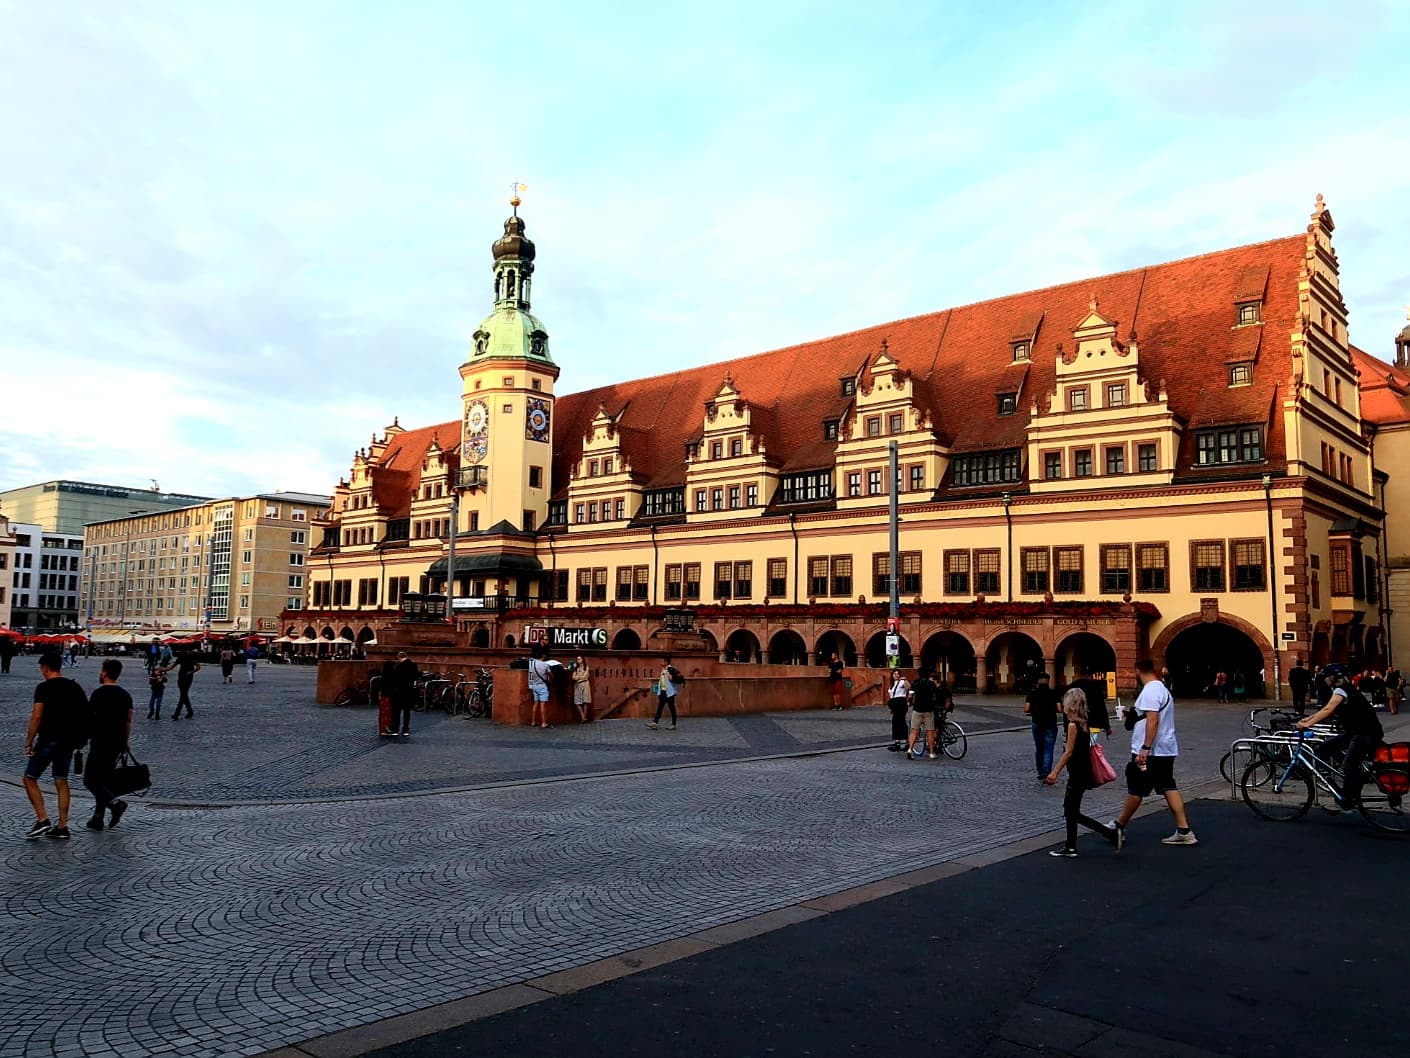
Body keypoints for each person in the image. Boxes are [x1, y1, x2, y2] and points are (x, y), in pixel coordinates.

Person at [1110, 659, 1197, 846]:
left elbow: (1152, 720)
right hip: (1166, 748)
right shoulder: (1162, 689)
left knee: (1136, 788)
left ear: (1137, 671)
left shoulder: (1149, 691)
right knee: (1168, 786)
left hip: (1151, 751)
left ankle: (1118, 826)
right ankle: (1184, 830)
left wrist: (1145, 748)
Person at [1046, 687, 1121, 857]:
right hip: (1083, 770)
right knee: (1072, 811)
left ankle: (1108, 834)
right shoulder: (1084, 722)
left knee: (1071, 810)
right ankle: (1071, 846)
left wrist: (1055, 772)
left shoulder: (1073, 725)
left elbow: (1069, 752)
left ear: (1069, 705)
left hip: (1077, 772)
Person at [22, 651, 89, 840]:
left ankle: (43, 819)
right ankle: (62, 826)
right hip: (69, 742)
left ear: (45, 668)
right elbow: (86, 713)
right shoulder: (74, 687)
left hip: (49, 740)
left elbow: (37, 716)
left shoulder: (44, 687)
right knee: (61, 781)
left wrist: (29, 741)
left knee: (29, 778)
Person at [1297, 664, 1383, 809]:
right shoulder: (1346, 688)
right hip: (1357, 731)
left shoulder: (1341, 690)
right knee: (1326, 746)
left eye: (1327, 677)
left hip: (1364, 733)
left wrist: (1307, 724)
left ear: (1333, 677)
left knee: (1349, 765)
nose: (1325, 680)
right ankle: (1331, 777)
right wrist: (1308, 719)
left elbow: (1328, 709)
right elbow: (1326, 709)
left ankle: (1348, 797)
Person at [83, 659, 134, 831]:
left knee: (90, 779)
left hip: (100, 740)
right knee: (104, 780)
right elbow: (128, 721)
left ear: (104, 672)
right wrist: (126, 742)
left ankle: (115, 803)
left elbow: (89, 719)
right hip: (117, 741)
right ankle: (98, 818)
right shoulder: (125, 695)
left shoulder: (98, 694)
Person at [1024, 672, 1060, 781]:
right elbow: (1059, 709)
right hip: (1051, 723)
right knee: (1049, 748)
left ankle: (1040, 770)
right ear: (1048, 681)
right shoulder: (1054, 694)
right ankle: (1046, 772)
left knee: (1039, 748)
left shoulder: (1032, 694)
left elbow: (1026, 709)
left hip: (1037, 723)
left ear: (1038, 682)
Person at [527, 646, 563, 729]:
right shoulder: (545, 665)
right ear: (543, 656)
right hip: (542, 686)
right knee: (543, 704)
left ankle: (533, 721)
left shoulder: (532, 663)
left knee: (535, 703)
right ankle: (543, 722)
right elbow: (551, 676)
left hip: (534, 685)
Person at [907, 667, 939, 759]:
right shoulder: (931, 684)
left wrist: (909, 702)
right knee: (930, 731)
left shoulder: (915, 683)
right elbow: (935, 695)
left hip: (917, 709)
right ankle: (932, 753)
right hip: (928, 710)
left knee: (914, 730)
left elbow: (910, 695)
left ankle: (910, 749)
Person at [1069, 666, 1110, 736]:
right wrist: (1107, 726)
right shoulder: (1096, 687)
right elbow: (1101, 707)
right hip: (1094, 722)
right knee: (1091, 744)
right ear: (1091, 675)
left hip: (1077, 723)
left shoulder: (1073, 686)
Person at [391, 651, 419, 739]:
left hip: (399, 692)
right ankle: (405, 730)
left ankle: (395, 730)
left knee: (396, 712)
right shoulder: (413, 666)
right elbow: (416, 677)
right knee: (407, 712)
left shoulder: (398, 666)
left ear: (399, 657)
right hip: (409, 692)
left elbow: (394, 679)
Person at [647, 656, 681, 730]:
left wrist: (670, 677)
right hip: (663, 691)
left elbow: (672, 679)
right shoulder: (664, 669)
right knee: (660, 707)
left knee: (671, 707)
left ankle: (673, 724)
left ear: (666, 662)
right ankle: (655, 722)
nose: (660, 663)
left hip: (669, 692)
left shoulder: (670, 669)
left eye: (662, 661)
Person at [885, 669, 911, 751]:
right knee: (896, 722)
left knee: (901, 722)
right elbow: (892, 695)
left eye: (897, 674)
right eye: (894, 674)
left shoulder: (902, 682)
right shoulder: (891, 684)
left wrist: (905, 680)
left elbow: (909, 688)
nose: (896, 675)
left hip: (901, 703)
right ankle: (897, 742)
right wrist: (892, 708)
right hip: (894, 704)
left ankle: (905, 742)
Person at [171, 648, 200, 719]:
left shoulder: (189, 658)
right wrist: (162, 669)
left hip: (185, 677)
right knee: (184, 695)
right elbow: (172, 666)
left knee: (183, 695)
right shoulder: (183, 657)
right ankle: (190, 711)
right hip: (184, 677)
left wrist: (191, 671)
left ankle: (177, 714)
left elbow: (198, 667)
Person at [570, 654, 593, 723]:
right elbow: (573, 677)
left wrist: (578, 678)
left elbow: (585, 677)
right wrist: (578, 678)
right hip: (578, 686)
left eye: (579, 659)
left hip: (585, 685)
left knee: (585, 702)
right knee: (577, 702)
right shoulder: (576, 668)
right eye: (577, 659)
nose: (578, 660)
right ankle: (583, 717)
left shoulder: (586, 667)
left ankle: (584, 718)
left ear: (583, 659)